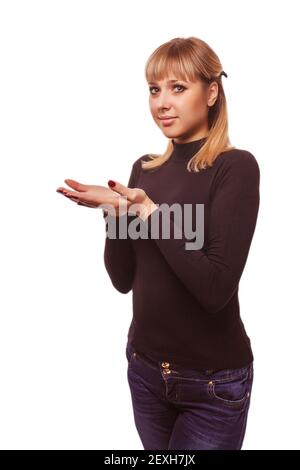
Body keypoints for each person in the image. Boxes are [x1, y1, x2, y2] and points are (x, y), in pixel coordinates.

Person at [56, 36, 260, 450]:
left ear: (212, 92)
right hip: (146, 372)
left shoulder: (234, 168)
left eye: (178, 88)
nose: (162, 103)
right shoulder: (144, 170)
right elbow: (123, 278)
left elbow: (215, 289)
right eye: (154, 89)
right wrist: (115, 213)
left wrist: (151, 213)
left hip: (212, 385)